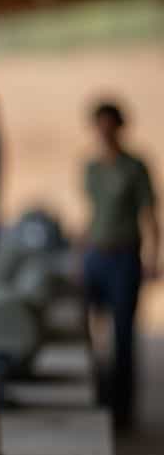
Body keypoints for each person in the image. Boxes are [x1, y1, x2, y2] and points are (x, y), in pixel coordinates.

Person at [82, 100, 159, 430]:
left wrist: (153, 257)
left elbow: (149, 214)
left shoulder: (134, 167)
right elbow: (93, 212)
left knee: (124, 335)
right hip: (96, 255)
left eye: (108, 124)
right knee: (91, 333)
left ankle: (123, 412)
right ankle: (99, 398)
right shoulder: (92, 168)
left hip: (124, 256)